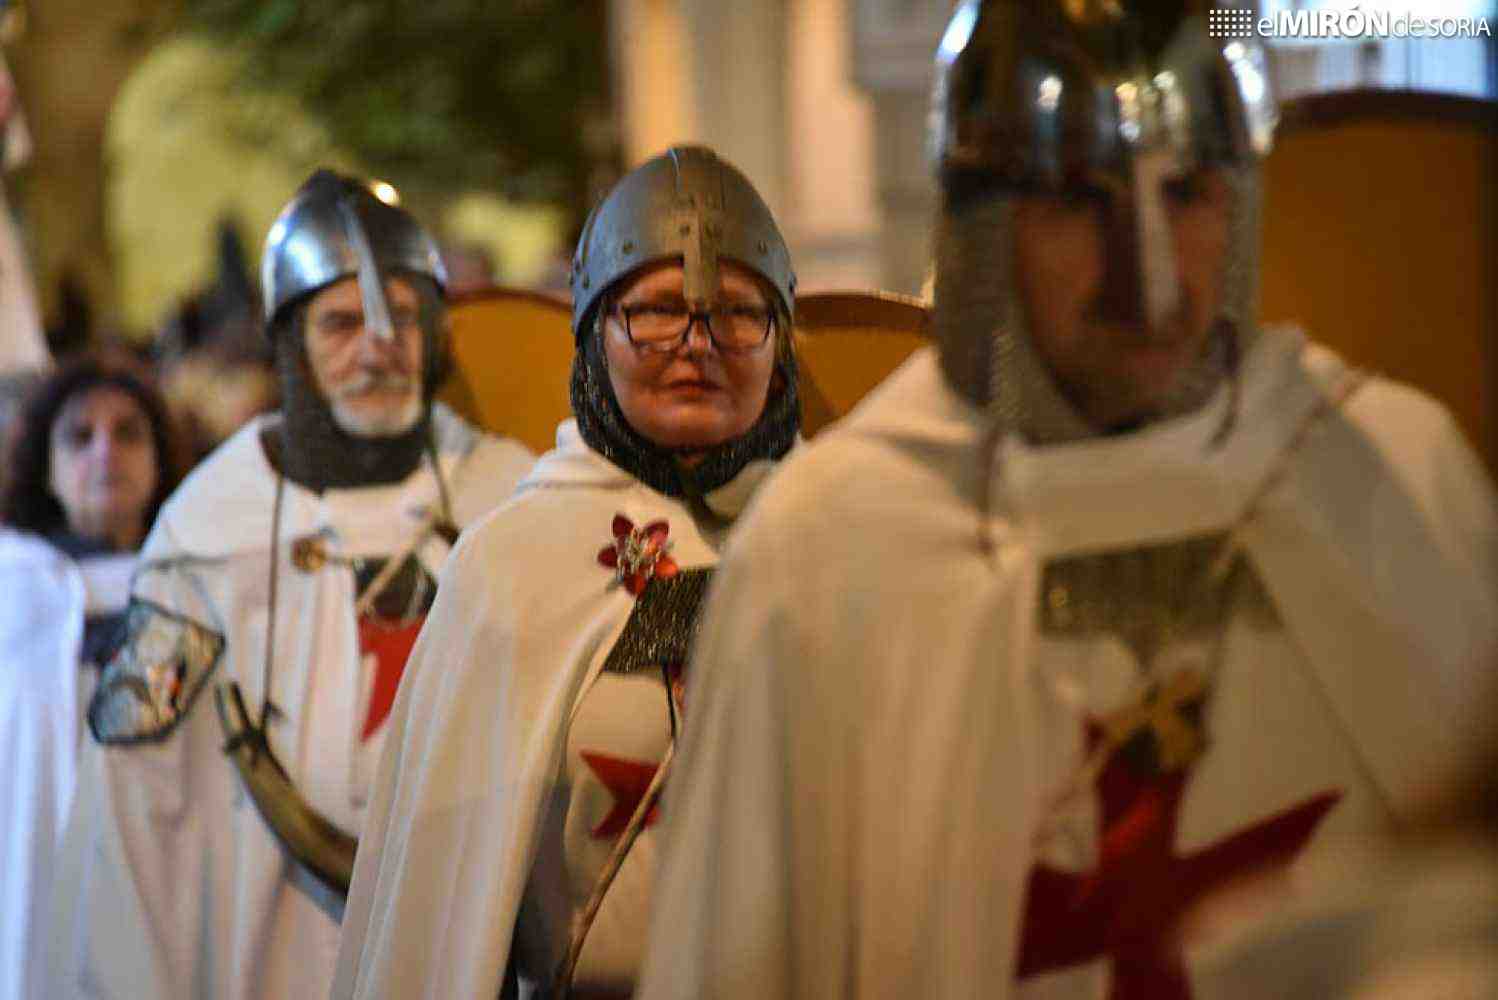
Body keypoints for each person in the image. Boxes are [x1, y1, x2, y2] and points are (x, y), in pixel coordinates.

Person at [636, 3, 1498, 999]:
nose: (1151, 279)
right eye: (1077, 201)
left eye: (1187, 191)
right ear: (979, 227)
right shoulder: (830, 547)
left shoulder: (1385, 474)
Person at [43, 170, 535, 1000]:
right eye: (342, 322)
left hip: (471, 942)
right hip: (265, 957)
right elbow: (132, 815)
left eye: (403, 318)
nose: (379, 345)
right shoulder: (208, 537)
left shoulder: (513, 506)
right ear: (290, 344)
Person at [331, 145, 800, 1000]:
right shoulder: (512, 568)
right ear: (593, 338)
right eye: (655, 312)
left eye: (737, 314)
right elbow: (436, 915)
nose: (698, 346)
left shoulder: (841, 536)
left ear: (782, 341)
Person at [0, 354, 183, 1000]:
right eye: (80, 436)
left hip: (165, 887)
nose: (105, 450)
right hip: (29, 878)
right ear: (45, 469)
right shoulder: (10, 585)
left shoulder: (197, 586)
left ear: (160, 460)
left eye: (129, 432)